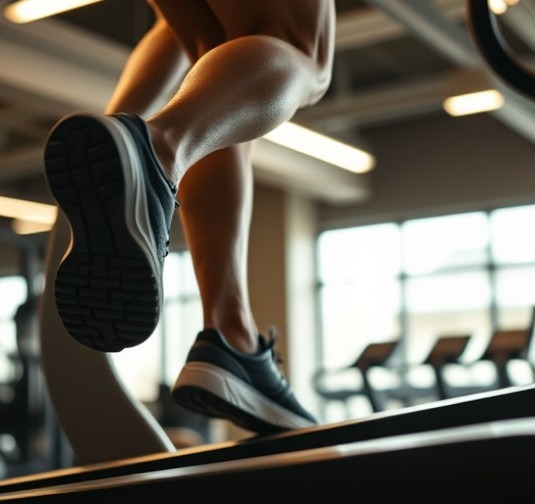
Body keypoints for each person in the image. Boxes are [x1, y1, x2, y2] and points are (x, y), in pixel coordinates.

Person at [43, 0, 334, 434]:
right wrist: (142, 144)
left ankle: (232, 334)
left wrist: (114, 132)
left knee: (214, 55)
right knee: (302, 53)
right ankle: (157, 152)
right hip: (156, 144)